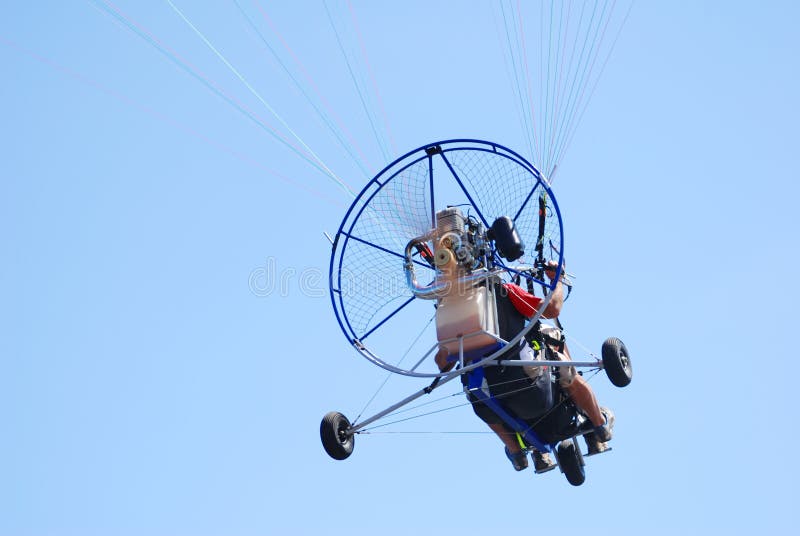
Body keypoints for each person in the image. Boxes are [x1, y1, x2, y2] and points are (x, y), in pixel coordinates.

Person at [435, 261, 613, 472]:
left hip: (495, 398)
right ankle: (598, 424)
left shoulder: (451, 310)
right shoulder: (501, 291)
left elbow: (442, 364)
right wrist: (557, 280)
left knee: (474, 391)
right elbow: (552, 308)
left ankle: (517, 452)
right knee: (556, 349)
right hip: (531, 382)